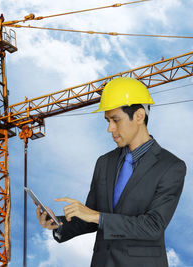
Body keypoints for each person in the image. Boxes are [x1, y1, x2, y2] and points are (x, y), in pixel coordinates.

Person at [36, 77, 186, 267]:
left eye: (116, 120)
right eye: (108, 120)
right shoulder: (104, 162)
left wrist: (96, 216)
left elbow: (153, 226)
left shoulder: (171, 166)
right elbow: (91, 218)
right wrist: (58, 224)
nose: (110, 128)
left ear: (139, 116)